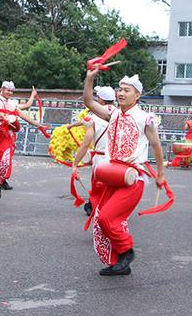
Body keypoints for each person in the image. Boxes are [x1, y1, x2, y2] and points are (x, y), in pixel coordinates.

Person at [82, 67, 166, 276]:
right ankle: (119, 262)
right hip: (113, 174)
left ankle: (126, 251)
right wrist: (90, 78)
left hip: (132, 177)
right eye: (120, 89)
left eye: (127, 90)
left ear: (137, 95)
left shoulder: (145, 118)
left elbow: (156, 146)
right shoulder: (113, 113)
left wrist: (160, 173)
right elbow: (88, 102)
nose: (121, 93)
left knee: (107, 218)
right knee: (103, 219)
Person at [0, 82, 42, 199]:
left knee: (5, 162)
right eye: (7, 90)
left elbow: (25, 112)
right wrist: (3, 116)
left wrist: (38, 125)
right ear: (2, 89)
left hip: (6, 136)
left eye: (11, 91)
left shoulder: (12, 104)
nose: (9, 92)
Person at [70, 86, 116, 216]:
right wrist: (72, 126)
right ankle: (111, 208)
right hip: (118, 160)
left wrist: (75, 164)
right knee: (113, 186)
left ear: (100, 100)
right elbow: (84, 121)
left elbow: (85, 144)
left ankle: (96, 207)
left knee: (98, 186)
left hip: (101, 160)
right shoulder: (119, 114)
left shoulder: (95, 116)